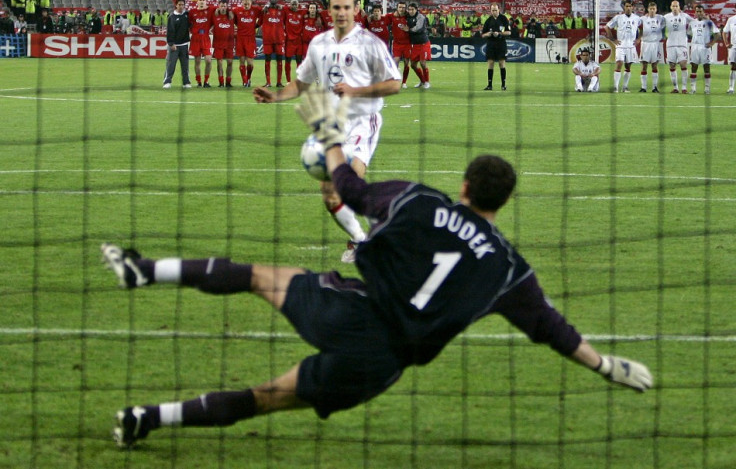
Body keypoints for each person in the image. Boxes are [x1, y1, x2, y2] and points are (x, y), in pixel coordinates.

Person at [101, 90, 653, 449]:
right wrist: (605, 365)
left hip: (348, 311)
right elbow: (554, 332)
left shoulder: (421, 201)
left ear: (464, 186)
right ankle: (146, 418)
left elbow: (351, 191)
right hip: (381, 361)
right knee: (265, 397)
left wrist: (332, 138)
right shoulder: (510, 270)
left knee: (253, 275)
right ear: (501, 203)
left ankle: (144, 271)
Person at [253, 0, 400, 264]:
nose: (342, 13)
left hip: (362, 120)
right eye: (336, 8)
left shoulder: (371, 44)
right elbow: (302, 82)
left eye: (347, 7)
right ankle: (360, 241)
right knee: (330, 194)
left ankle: (382, 236)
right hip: (332, 125)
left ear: (356, 10)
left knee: (350, 184)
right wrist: (276, 96)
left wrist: (355, 91)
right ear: (329, 10)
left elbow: (394, 84)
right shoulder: (318, 43)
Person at [604, 0, 641, 93]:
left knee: (628, 66)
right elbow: (607, 27)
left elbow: (642, 28)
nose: (628, 8)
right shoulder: (618, 17)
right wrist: (612, 39)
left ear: (633, 7)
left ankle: (625, 87)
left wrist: (639, 39)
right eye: (627, 6)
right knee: (619, 63)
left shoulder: (637, 18)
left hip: (631, 46)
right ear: (624, 7)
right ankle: (615, 87)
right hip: (621, 45)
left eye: (630, 6)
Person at [687, 4, 719, 95]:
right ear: (695, 12)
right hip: (695, 47)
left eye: (700, 11)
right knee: (694, 67)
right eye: (697, 11)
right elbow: (689, 33)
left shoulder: (709, 22)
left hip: (705, 47)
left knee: (706, 67)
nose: (699, 13)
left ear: (703, 12)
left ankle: (707, 89)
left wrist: (712, 43)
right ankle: (693, 89)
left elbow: (717, 34)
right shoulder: (692, 23)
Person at [663, 0, 692, 94]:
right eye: (673, 6)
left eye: (676, 6)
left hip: (682, 44)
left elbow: (695, 22)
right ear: (671, 7)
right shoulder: (666, 17)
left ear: (679, 7)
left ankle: (684, 88)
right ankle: (675, 87)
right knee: (672, 66)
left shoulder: (685, 16)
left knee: (683, 64)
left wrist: (689, 32)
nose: (675, 8)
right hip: (670, 44)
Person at [163, 0, 192, 89]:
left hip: (184, 45)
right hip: (174, 45)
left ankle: (186, 82)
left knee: (185, 66)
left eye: (182, 5)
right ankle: (167, 81)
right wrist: (171, 43)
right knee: (171, 65)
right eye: (179, 4)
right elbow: (170, 31)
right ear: (176, 5)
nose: (181, 6)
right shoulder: (172, 17)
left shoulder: (187, 15)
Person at [233, 0, 261, 87]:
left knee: (250, 63)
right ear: (242, 3)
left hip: (250, 39)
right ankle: (244, 81)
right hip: (240, 38)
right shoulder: (236, 10)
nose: (246, 4)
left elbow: (263, 16)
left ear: (251, 3)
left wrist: (256, 25)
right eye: (244, 3)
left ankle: (248, 78)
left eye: (248, 3)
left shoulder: (255, 10)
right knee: (241, 60)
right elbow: (234, 20)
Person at [480, 3, 510, 91]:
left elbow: (509, 32)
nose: (494, 12)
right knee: (490, 63)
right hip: (491, 44)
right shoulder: (488, 20)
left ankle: (503, 85)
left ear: (499, 10)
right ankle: (489, 85)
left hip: (501, 44)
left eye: (495, 10)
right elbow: (483, 35)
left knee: (501, 63)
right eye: (492, 10)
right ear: (490, 10)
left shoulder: (503, 19)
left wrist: (499, 33)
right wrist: (488, 34)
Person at [638, 2, 664, 93]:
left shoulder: (660, 18)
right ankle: (643, 87)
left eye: (654, 9)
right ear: (648, 9)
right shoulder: (642, 19)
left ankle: (654, 87)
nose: (652, 10)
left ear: (656, 10)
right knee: (644, 65)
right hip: (645, 44)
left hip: (656, 44)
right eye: (650, 9)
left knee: (654, 66)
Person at [189, 0, 215, 87]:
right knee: (197, 61)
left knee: (208, 60)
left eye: (203, 0)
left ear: (206, 2)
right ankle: (199, 82)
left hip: (205, 38)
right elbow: (188, 24)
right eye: (200, 0)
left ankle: (206, 81)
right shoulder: (192, 12)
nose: (201, 2)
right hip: (196, 39)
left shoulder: (210, 10)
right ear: (197, 2)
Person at [261, 0, 286, 87]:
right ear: (269, 1)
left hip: (279, 39)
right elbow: (258, 21)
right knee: (267, 60)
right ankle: (268, 82)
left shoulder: (282, 10)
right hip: (268, 40)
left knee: (279, 60)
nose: (273, 1)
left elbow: (291, 9)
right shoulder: (264, 11)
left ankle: (279, 82)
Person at [405, 2, 431, 89]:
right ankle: (422, 81)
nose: (410, 11)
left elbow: (418, 29)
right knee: (413, 65)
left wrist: (408, 29)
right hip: (415, 44)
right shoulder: (407, 16)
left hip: (423, 43)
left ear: (416, 9)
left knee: (423, 63)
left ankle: (427, 82)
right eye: (409, 9)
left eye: (412, 9)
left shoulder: (421, 17)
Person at [211, 0, 235, 88]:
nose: (223, 8)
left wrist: (229, 11)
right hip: (218, 44)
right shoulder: (214, 15)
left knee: (230, 63)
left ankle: (228, 82)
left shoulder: (231, 16)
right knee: (219, 63)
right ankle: (221, 82)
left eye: (225, 6)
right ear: (218, 6)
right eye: (221, 6)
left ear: (227, 7)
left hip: (229, 44)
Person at [388, 1, 412, 89]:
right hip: (397, 43)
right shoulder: (391, 16)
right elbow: (382, 19)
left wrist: (409, 29)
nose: (402, 9)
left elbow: (414, 25)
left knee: (406, 63)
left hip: (407, 44)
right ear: (397, 8)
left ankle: (404, 82)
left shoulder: (408, 17)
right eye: (400, 7)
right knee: (396, 62)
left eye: (403, 7)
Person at [284, 0, 304, 84]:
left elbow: (314, 12)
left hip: (299, 41)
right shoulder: (286, 11)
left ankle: (299, 80)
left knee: (299, 61)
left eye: (296, 4)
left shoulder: (302, 13)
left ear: (298, 5)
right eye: (292, 4)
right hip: (289, 41)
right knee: (288, 60)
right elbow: (278, 6)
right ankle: (288, 81)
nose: (294, 6)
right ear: (290, 5)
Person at [722, 12, 736, 94]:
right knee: (733, 66)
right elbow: (724, 32)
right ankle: (731, 88)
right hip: (733, 46)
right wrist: (726, 43)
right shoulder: (731, 19)